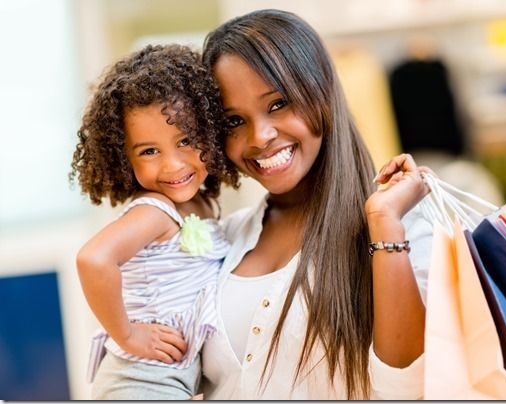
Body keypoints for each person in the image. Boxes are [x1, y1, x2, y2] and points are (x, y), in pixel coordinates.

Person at [197, 9, 433, 399]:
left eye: (277, 105)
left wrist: (385, 222)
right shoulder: (224, 239)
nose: (260, 136)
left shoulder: (406, 227)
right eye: (234, 121)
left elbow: (407, 389)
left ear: (321, 91)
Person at [69, 44, 238, 400]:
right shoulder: (155, 209)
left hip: (171, 382)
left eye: (187, 141)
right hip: (138, 382)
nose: (173, 165)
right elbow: (94, 260)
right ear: (122, 156)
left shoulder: (201, 204)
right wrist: (127, 335)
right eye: (149, 151)